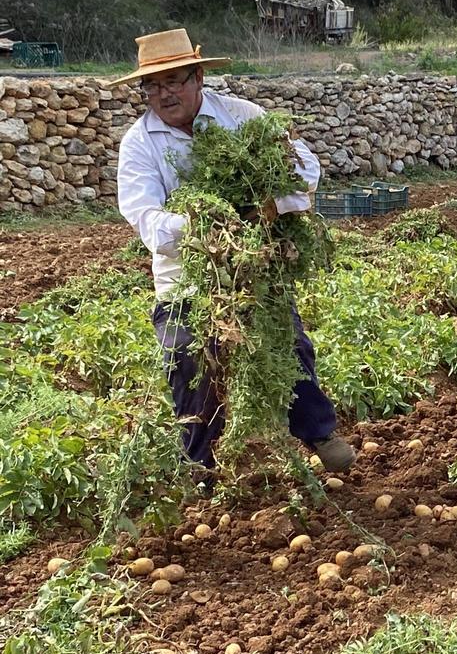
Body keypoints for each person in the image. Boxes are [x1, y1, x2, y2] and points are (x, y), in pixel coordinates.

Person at [110, 28, 355, 476]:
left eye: (173, 81)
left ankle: (319, 433)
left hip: (257, 268)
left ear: (198, 76)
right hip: (185, 278)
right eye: (152, 86)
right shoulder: (139, 144)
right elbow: (150, 223)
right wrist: (216, 225)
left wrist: (271, 206)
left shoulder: (242, 116)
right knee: (188, 362)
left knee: (288, 344)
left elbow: (304, 166)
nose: (163, 95)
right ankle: (202, 466)